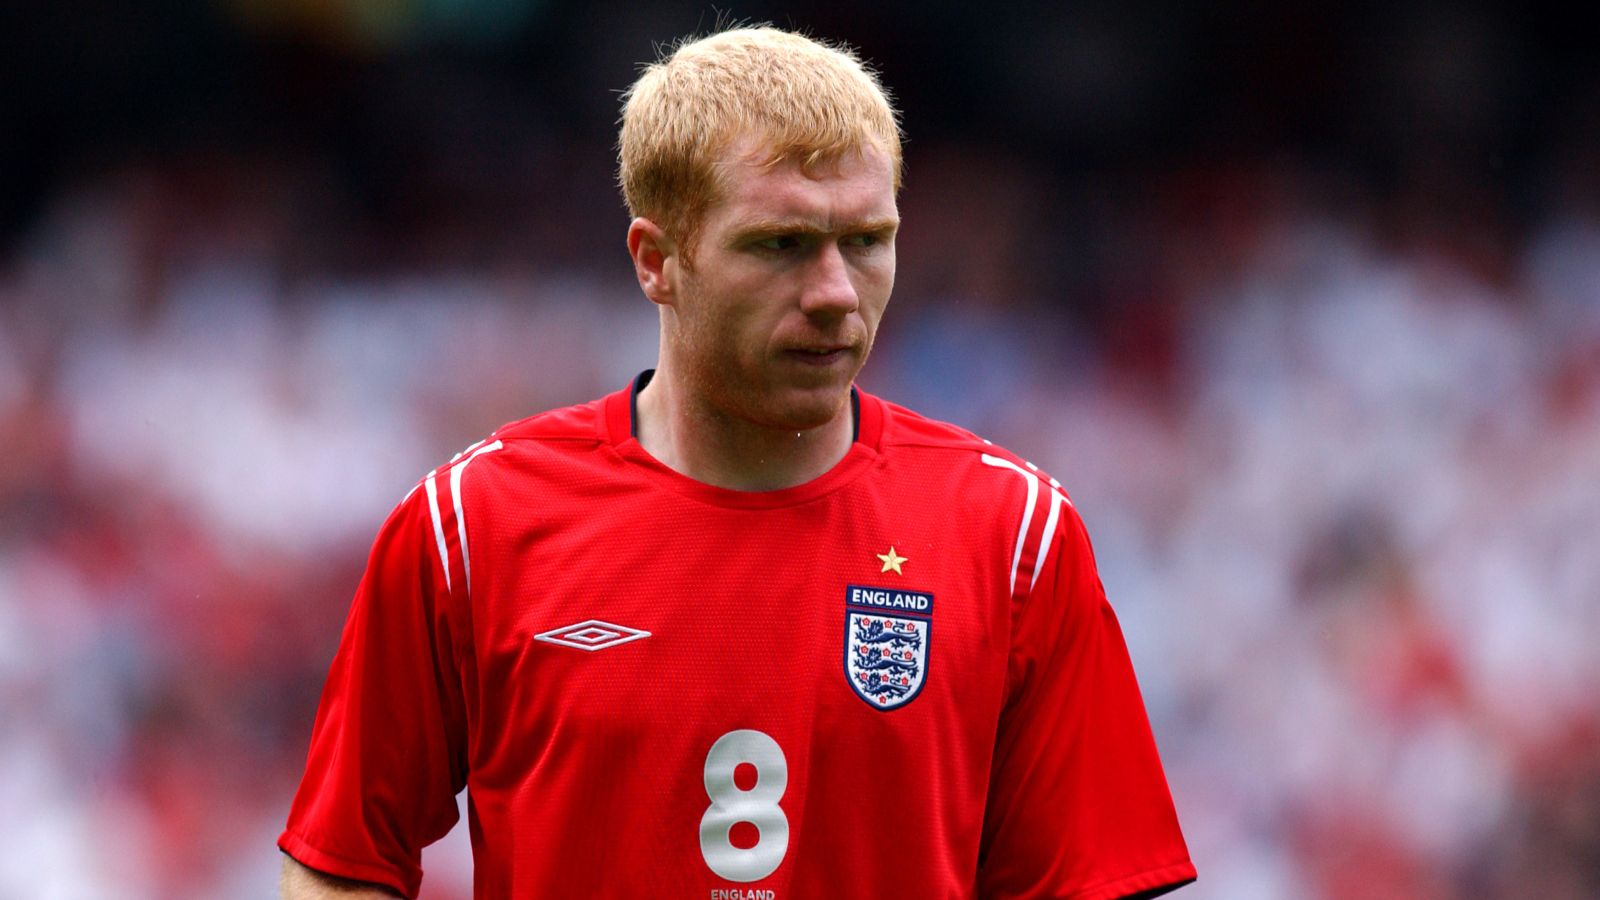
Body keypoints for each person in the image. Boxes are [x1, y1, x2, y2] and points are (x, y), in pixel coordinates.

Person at [279, 26, 1195, 899]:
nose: (835, 293)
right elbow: (342, 861)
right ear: (656, 261)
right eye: (780, 245)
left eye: (866, 241)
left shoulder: (1013, 535)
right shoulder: (473, 525)